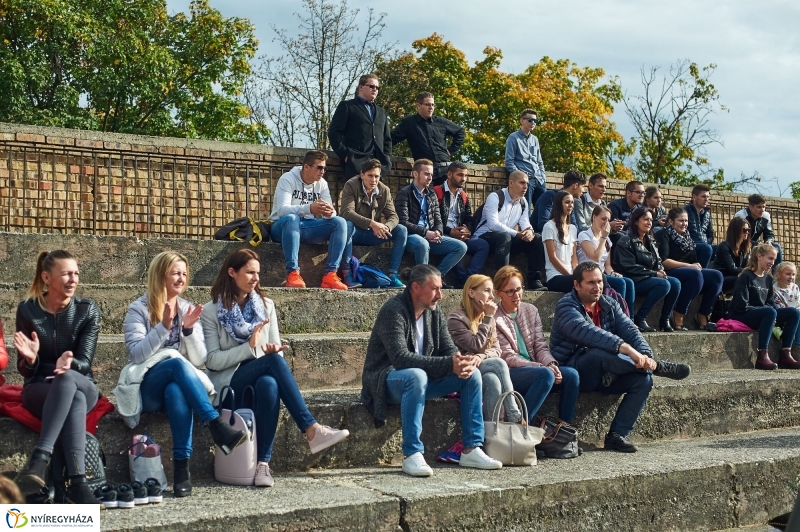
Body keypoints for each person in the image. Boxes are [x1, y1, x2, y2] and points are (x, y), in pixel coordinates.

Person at [202, 248, 350, 487]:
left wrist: (271, 349)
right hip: (229, 386)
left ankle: (263, 465)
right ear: (232, 272)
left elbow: (273, 346)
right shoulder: (210, 311)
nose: (255, 278)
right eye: (250, 272)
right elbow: (212, 361)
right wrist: (249, 348)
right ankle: (311, 429)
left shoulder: (265, 306)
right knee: (272, 365)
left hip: (260, 376)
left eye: (258, 273)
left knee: (270, 383)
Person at [119, 251, 246, 498]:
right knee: (176, 364)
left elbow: (199, 360)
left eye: (184, 274)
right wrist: (164, 327)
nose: (181, 278)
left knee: (176, 389)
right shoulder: (139, 309)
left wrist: (187, 330)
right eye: (175, 273)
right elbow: (136, 355)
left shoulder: (187, 308)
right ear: (160, 276)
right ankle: (216, 425)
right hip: (147, 387)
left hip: (172, 386)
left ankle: (181, 470)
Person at [360, 264, 503, 477]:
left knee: (472, 375)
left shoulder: (434, 313)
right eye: (434, 289)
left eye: (440, 288)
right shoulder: (393, 310)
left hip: (422, 381)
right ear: (416, 288)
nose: (440, 295)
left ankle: (472, 448)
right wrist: (449, 364)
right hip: (386, 380)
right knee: (416, 375)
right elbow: (400, 359)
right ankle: (412, 453)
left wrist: (461, 362)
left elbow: (449, 349)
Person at [549, 262, 691, 453]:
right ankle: (659, 368)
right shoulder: (566, 306)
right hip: (576, 370)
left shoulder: (608, 304)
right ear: (576, 285)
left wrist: (646, 356)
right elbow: (590, 333)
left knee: (643, 379)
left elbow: (631, 331)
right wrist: (626, 349)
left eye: (599, 281)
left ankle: (617, 435)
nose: (597, 287)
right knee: (597, 353)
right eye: (591, 282)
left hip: (608, 373)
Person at [13, 250, 103, 503]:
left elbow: (85, 363)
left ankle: (39, 460)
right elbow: (25, 370)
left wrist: (70, 362)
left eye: (76, 273)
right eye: (66, 274)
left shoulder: (87, 310)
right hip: (40, 387)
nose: (73, 279)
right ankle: (78, 484)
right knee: (70, 396)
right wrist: (31, 360)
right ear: (46, 277)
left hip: (83, 384)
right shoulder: (27, 311)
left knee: (68, 380)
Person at [493, 266, 580, 423]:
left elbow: (540, 346)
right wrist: (541, 367)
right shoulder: (493, 317)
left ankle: (565, 431)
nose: (517, 295)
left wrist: (551, 364)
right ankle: (521, 425)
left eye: (519, 289)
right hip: (511, 372)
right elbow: (506, 355)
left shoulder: (530, 310)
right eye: (510, 291)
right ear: (499, 293)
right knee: (545, 374)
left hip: (537, 368)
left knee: (571, 375)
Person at [268, 150, 352, 290]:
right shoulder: (287, 179)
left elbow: (330, 212)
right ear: (306, 167)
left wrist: (329, 212)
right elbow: (282, 210)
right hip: (282, 227)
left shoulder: (322, 184)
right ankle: (293, 274)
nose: (322, 171)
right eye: (319, 167)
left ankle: (330, 275)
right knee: (292, 218)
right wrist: (309, 208)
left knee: (340, 222)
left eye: (324, 168)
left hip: (307, 227)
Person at [446, 275, 523, 424]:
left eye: (492, 292)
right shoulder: (456, 319)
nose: (492, 296)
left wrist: (481, 357)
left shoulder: (487, 318)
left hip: (480, 367)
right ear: (471, 293)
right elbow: (476, 345)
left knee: (492, 380)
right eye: (487, 291)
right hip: (461, 372)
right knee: (499, 364)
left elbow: (497, 350)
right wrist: (488, 317)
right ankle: (515, 416)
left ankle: (493, 430)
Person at [728, 244, 800, 370]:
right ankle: (762, 356)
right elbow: (741, 305)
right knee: (770, 312)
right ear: (759, 257)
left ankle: (785, 354)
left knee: (794, 313)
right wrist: (769, 313)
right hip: (741, 314)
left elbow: (770, 302)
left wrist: (773, 314)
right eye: (770, 258)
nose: (772, 262)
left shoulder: (768, 278)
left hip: (762, 314)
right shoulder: (746, 276)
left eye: (774, 259)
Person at [395, 159, 467, 282]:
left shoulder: (431, 194)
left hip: (431, 236)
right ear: (415, 174)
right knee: (423, 244)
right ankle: (422, 282)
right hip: (412, 236)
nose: (430, 177)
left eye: (431, 174)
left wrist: (438, 231)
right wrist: (425, 233)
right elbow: (403, 222)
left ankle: (435, 278)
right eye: (426, 174)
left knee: (461, 247)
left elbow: (438, 219)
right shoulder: (404, 193)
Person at [471, 170, 546, 290]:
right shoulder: (495, 197)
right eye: (522, 183)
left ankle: (534, 280)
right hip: (484, 236)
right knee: (504, 236)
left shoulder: (523, 202)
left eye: (526, 183)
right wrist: (517, 233)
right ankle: (503, 282)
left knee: (537, 238)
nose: (525, 186)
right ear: (511, 183)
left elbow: (525, 222)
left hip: (506, 240)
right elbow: (493, 224)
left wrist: (529, 231)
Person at [611, 207, 681, 332]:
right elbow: (628, 266)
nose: (649, 222)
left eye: (651, 220)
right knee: (663, 284)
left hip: (647, 277)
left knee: (675, 283)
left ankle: (665, 320)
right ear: (636, 221)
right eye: (645, 219)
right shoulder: (626, 240)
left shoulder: (651, 240)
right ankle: (640, 318)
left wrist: (660, 270)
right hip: (633, 279)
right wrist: (654, 273)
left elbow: (658, 261)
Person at [339, 158, 407, 288]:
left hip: (373, 234)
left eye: (376, 176)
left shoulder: (384, 190)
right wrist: (372, 223)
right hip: (355, 233)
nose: (373, 180)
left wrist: (386, 227)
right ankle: (347, 274)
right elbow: (346, 212)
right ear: (362, 175)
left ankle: (393, 275)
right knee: (346, 225)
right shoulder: (351, 185)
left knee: (401, 230)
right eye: (370, 176)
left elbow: (393, 216)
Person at [655, 208, 723, 330]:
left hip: (688, 270)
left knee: (716, 276)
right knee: (695, 275)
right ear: (671, 221)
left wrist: (696, 265)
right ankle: (679, 312)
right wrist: (689, 266)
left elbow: (693, 259)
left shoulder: (686, 236)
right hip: (670, 270)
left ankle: (702, 313)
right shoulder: (663, 234)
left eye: (686, 221)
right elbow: (664, 261)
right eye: (681, 221)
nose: (684, 224)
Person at [391, 92, 466, 186]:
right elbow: (391, 139)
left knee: (450, 197)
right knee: (428, 198)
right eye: (427, 104)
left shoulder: (440, 121)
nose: (431, 107)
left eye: (433, 104)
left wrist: (451, 150)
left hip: (445, 169)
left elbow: (460, 131)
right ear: (419, 105)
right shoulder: (409, 123)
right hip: (425, 170)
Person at [433, 162, 489, 287]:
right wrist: (449, 231)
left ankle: (469, 279)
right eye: (459, 175)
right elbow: (433, 220)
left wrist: (466, 230)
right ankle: (463, 279)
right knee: (455, 246)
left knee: (483, 245)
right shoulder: (436, 192)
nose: (463, 179)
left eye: (465, 175)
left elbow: (469, 218)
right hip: (443, 233)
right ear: (449, 174)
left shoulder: (463, 196)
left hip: (459, 235)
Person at [328, 73, 391, 178]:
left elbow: (387, 139)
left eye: (377, 87)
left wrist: (386, 158)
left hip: (378, 166)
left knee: (376, 194)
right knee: (356, 194)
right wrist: (345, 154)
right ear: (361, 87)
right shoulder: (348, 106)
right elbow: (334, 133)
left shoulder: (381, 111)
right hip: (356, 163)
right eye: (371, 86)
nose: (375, 89)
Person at [577, 205, 635, 312]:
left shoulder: (607, 240)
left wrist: (613, 273)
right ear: (594, 217)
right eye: (603, 219)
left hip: (602, 274)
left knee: (628, 282)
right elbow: (596, 257)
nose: (606, 222)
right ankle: (618, 317)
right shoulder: (584, 235)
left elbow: (607, 265)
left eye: (608, 220)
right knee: (620, 283)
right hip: (588, 273)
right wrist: (603, 237)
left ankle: (629, 319)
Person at [505, 109, 547, 209]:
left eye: (535, 121)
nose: (533, 123)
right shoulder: (513, 138)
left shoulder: (535, 139)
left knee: (544, 210)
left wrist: (543, 176)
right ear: (522, 121)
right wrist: (520, 177)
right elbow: (509, 161)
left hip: (539, 179)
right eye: (530, 120)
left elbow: (539, 161)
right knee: (525, 210)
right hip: (526, 180)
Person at [542, 190, 579, 292]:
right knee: (585, 284)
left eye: (572, 202)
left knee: (596, 280)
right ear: (559, 204)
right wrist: (572, 277)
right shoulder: (549, 226)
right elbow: (552, 258)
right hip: (555, 276)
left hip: (571, 275)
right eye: (567, 202)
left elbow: (574, 258)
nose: (570, 205)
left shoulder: (573, 228)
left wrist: (577, 274)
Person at [735, 194, 783, 271]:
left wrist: (768, 241)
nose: (762, 210)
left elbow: (769, 233)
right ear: (750, 207)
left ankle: (776, 276)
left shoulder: (766, 215)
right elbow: (738, 237)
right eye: (759, 207)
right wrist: (756, 243)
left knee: (776, 246)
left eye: (764, 207)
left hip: (756, 245)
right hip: (741, 244)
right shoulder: (741, 215)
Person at [533, 169, 585, 233]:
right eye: (583, 186)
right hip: (541, 236)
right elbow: (543, 224)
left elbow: (574, 226)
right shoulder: (549, 196)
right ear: (575, 185)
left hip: (562, 236)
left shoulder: (571, 202)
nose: (583, 190)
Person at [712, 217, 752, 294]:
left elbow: (745, 267)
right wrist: (751, 270)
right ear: (736, 231)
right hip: (722, 278)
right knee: (744, 278)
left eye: (748, 230)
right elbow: (732, 269)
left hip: (736, 276)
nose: (747, 232)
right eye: (744, 230)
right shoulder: (724, 246)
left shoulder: (746, 248)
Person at [684, 184, 714, 268]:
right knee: (706, 248)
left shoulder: (707, 214)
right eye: (703, 196)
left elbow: (710, 234)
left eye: (708, 197)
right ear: (694, 197)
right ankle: (703, 272)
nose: (706, 199)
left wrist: (707, 243)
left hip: (705, 245)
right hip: (690, 246)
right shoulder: (685, 211)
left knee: (722, 248)